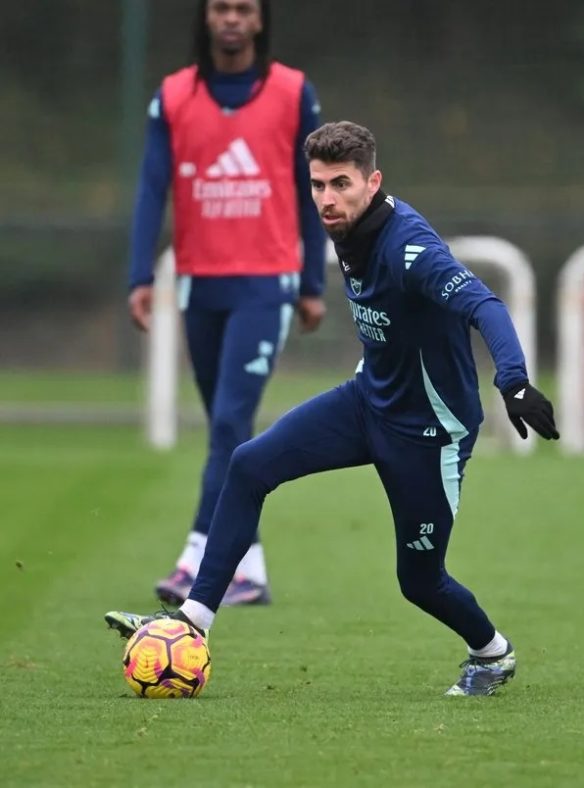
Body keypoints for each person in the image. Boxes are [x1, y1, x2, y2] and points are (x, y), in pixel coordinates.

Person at [106, 121, 559, 696]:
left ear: (373, 182)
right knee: (248, 465)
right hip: (367, 403)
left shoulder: (412, 250)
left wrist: (514, 383)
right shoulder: (346, 228)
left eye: (340, 184)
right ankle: (191, 622)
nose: (326, 199)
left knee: (419, 582)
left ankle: (492, 653)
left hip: (429, 434)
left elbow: (486, 306)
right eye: (317, 184)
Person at [127, 0, 326, 607]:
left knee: (227, 423)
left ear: (260, 20)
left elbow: (307, 189)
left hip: (265, 283)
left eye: (243, 8)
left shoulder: (293, 92)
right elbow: (151, 186)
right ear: (206, 18)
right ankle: (250, 567)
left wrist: (312, 280)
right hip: (198, 285)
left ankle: (197, 555)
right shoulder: (174, 95)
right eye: (221, 8)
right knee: (230, 434)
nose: (232, 18)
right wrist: (140, 273)